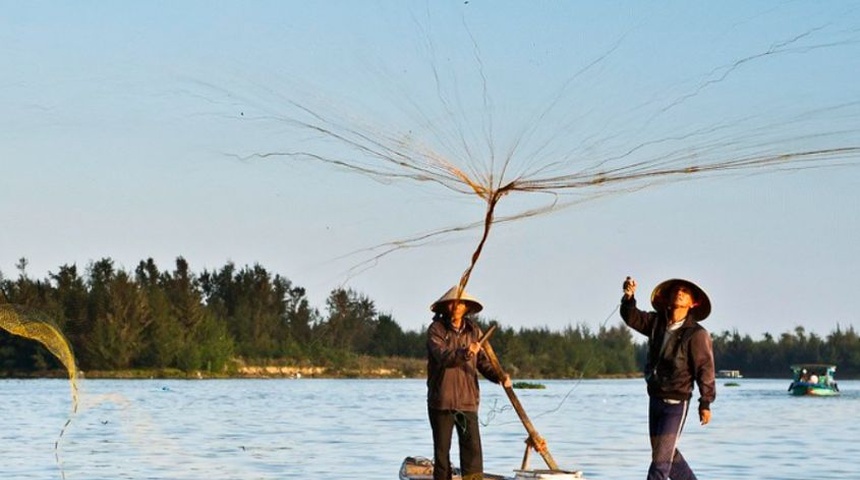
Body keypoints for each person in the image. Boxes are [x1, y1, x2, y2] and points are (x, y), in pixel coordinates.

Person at [620, 276, 716, 480]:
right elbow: (632, 317)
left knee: (660, 464)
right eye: (677, 290)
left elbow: (705, 369)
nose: (680, 293)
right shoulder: (656, 322)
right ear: (668, 297)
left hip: (676, 402)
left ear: (693, 303)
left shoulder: (696, 334)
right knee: (664, 454)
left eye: (685, 292)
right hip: (655, 398)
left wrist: (705, 402)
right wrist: (629, 297)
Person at [426, 285, 511, 480]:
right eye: (453, 303)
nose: (457, 306)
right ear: (446, 307)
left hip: (467, 402)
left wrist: (500, 376)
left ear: (466, 308)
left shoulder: (474, 331)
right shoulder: (436, 330)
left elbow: (482, 363)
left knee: (472, 451)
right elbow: (443, 356)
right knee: (441, 454)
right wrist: (465, 353)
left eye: (461, 303)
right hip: (442, 402)